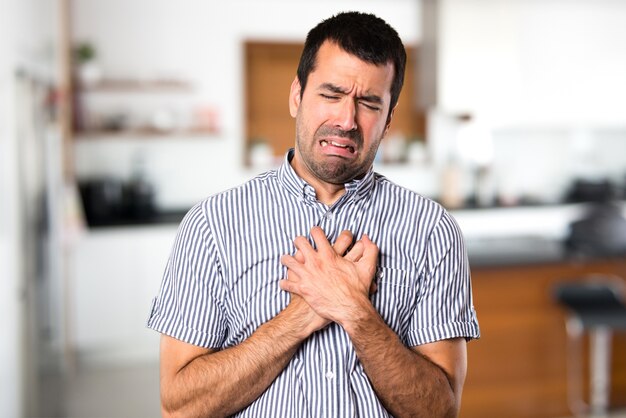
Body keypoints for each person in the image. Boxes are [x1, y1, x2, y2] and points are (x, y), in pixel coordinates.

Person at [147, 11, 480, 418]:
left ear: (389, 119)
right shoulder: (212, 225)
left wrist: (355, 312)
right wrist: (307, 312)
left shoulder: (432, 231)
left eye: (369, 103)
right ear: (296, 96)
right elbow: (179, 407)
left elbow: (440, 411)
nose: (346, 120)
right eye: (331, 94)